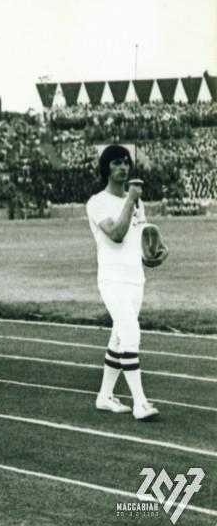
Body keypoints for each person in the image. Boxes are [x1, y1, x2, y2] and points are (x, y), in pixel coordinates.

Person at [87, 145, 164, 421]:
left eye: (126, 163)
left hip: (134, 278)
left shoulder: (137, 203)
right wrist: (131, 199)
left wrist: (156, 250)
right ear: (107, 167)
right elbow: (117, 234)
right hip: (112, 279)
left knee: (120, 337)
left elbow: (141, 234)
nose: (124, 168)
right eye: (117, 163)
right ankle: (140, 403)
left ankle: (105, 396)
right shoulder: (97, 202)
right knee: (131, 332)